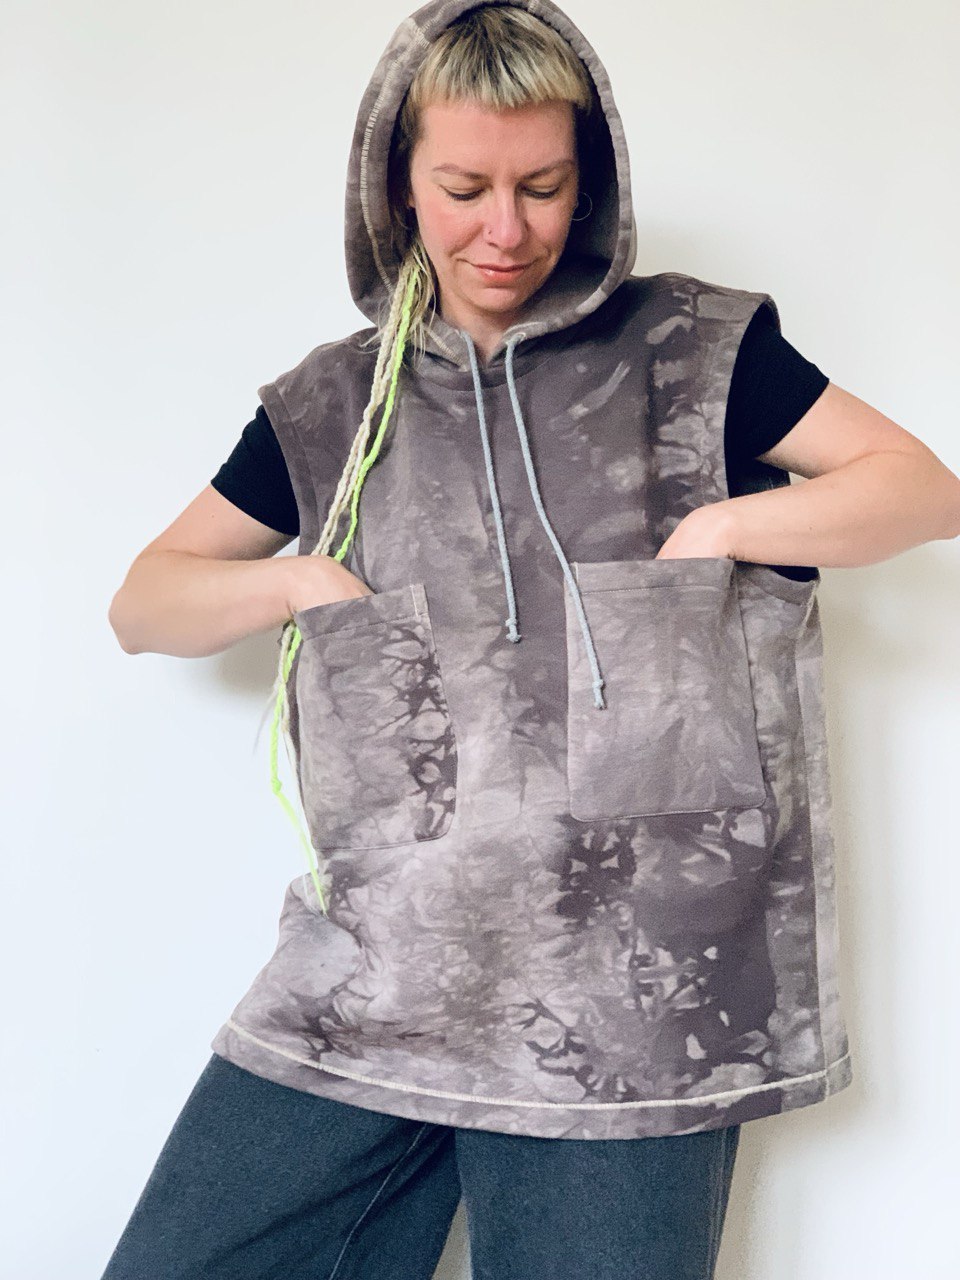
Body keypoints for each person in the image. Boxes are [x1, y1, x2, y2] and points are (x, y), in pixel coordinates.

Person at [104, 2, 960, 1277]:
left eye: (542, 187)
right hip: (377, 975)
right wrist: (301, 584)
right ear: (396, 185)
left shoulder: (695, 351)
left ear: (589, 180)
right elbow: (143, 603)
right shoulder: (335, 405)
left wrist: (722, 527)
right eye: (465, 189)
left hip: (635, 1008)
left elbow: (924, 489)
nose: (504, 230)